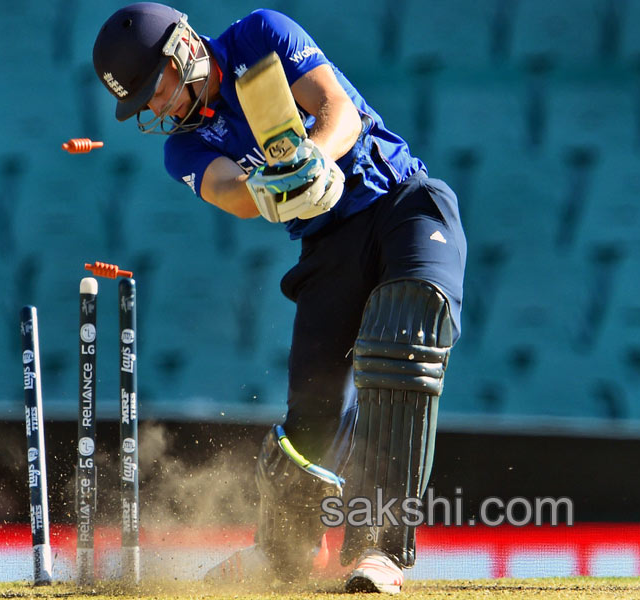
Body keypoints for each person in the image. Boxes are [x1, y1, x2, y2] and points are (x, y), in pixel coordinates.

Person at [93, 3, 466, 594]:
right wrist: (264, 188)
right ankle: (287, 554)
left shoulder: (260, 37)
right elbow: (232, 195)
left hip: (401, 203)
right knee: (314, 415)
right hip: (327, 244)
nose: (158, 109)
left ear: (179, 49)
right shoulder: (181, 150)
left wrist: (314, 153)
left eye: (154, 90)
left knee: (407, 334)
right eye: (145, 104)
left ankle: (380, 549)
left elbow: (337, 109)